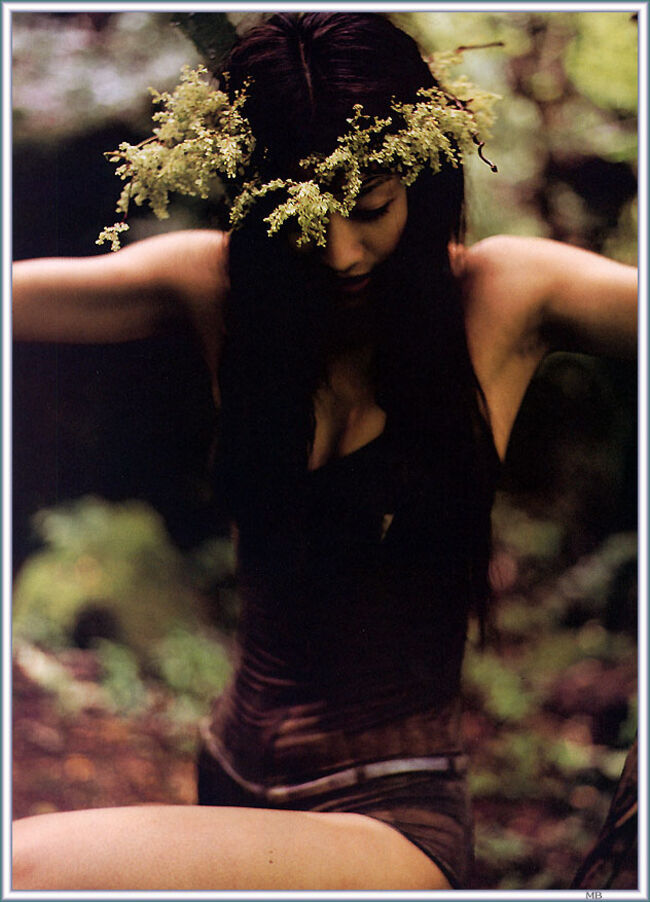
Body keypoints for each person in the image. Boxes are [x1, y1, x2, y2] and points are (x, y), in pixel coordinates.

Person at [11, 13, 637, 891]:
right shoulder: (218, 289)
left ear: (421, 179)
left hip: (392, 821)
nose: (343, 252)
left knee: (26, 864)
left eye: (372, 208)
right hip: (229, 776)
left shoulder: (506, 295)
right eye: (305, 219)